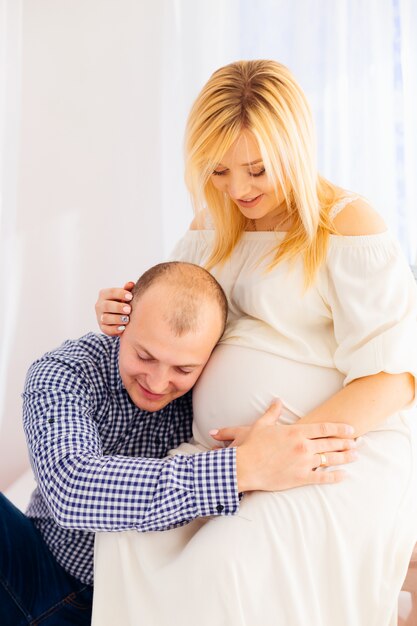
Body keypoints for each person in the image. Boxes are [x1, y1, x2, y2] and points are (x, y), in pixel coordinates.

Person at [93, 60, 417, 626]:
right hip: (231, 456)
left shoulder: (348, 228)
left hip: (338, 450)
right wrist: (121, 309)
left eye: (258, 170)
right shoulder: (210, 225)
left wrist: (289, 444)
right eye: (218, 171)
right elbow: (173, 306)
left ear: (294, 148)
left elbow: (393, 377)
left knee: (231, 560)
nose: (238, 190)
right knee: (127, 540)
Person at [0, 262, 355, 626]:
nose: (157, 381)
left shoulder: (211, 390)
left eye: (183, 370)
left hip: (141, 598)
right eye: (144, 356)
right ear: (122, 324)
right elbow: (72, 489)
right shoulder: (62, 373)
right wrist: (239, 469)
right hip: (43, 569)